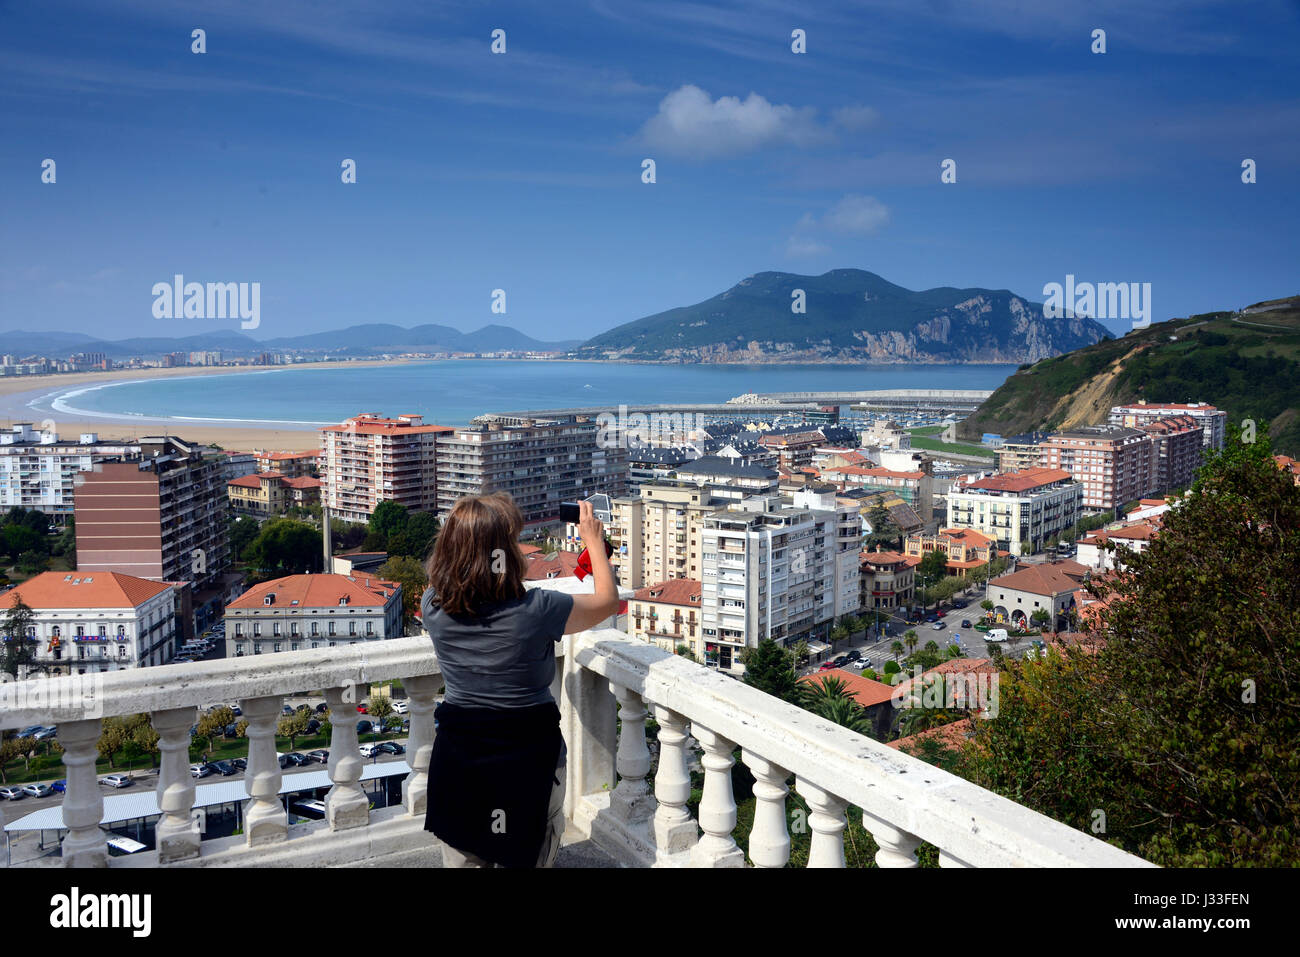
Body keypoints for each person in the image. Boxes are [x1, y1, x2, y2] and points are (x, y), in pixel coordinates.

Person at [420, 493, 619, 868]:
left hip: (460, 757)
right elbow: (608, 601)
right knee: (527, 851)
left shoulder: (432, 605)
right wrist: (594, 543)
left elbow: (460, 583)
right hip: (527, 757)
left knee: (464, 853)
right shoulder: (538, 610)